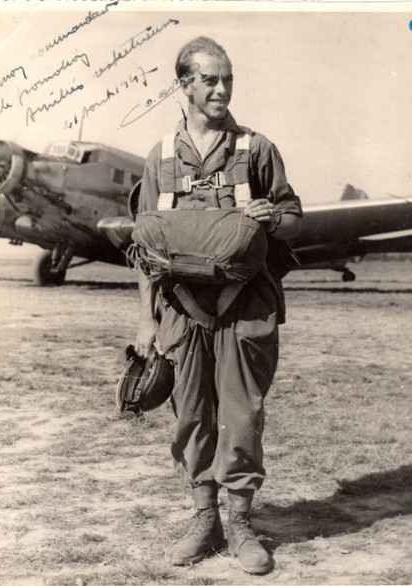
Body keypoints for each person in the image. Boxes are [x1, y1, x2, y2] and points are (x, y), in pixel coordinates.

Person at [134, 36, 302, 575]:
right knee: (191, 417)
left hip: (244, 307)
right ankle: (204, 519)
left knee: (241, 418)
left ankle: (243, 526)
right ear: (184, 85)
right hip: (182, 312)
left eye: (228, 78)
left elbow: (296, 216)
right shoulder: (160, 157)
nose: (222, 89)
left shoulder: (257, 149)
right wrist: (145, 320)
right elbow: (143, 248)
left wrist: (271, 217)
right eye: (210, 80)